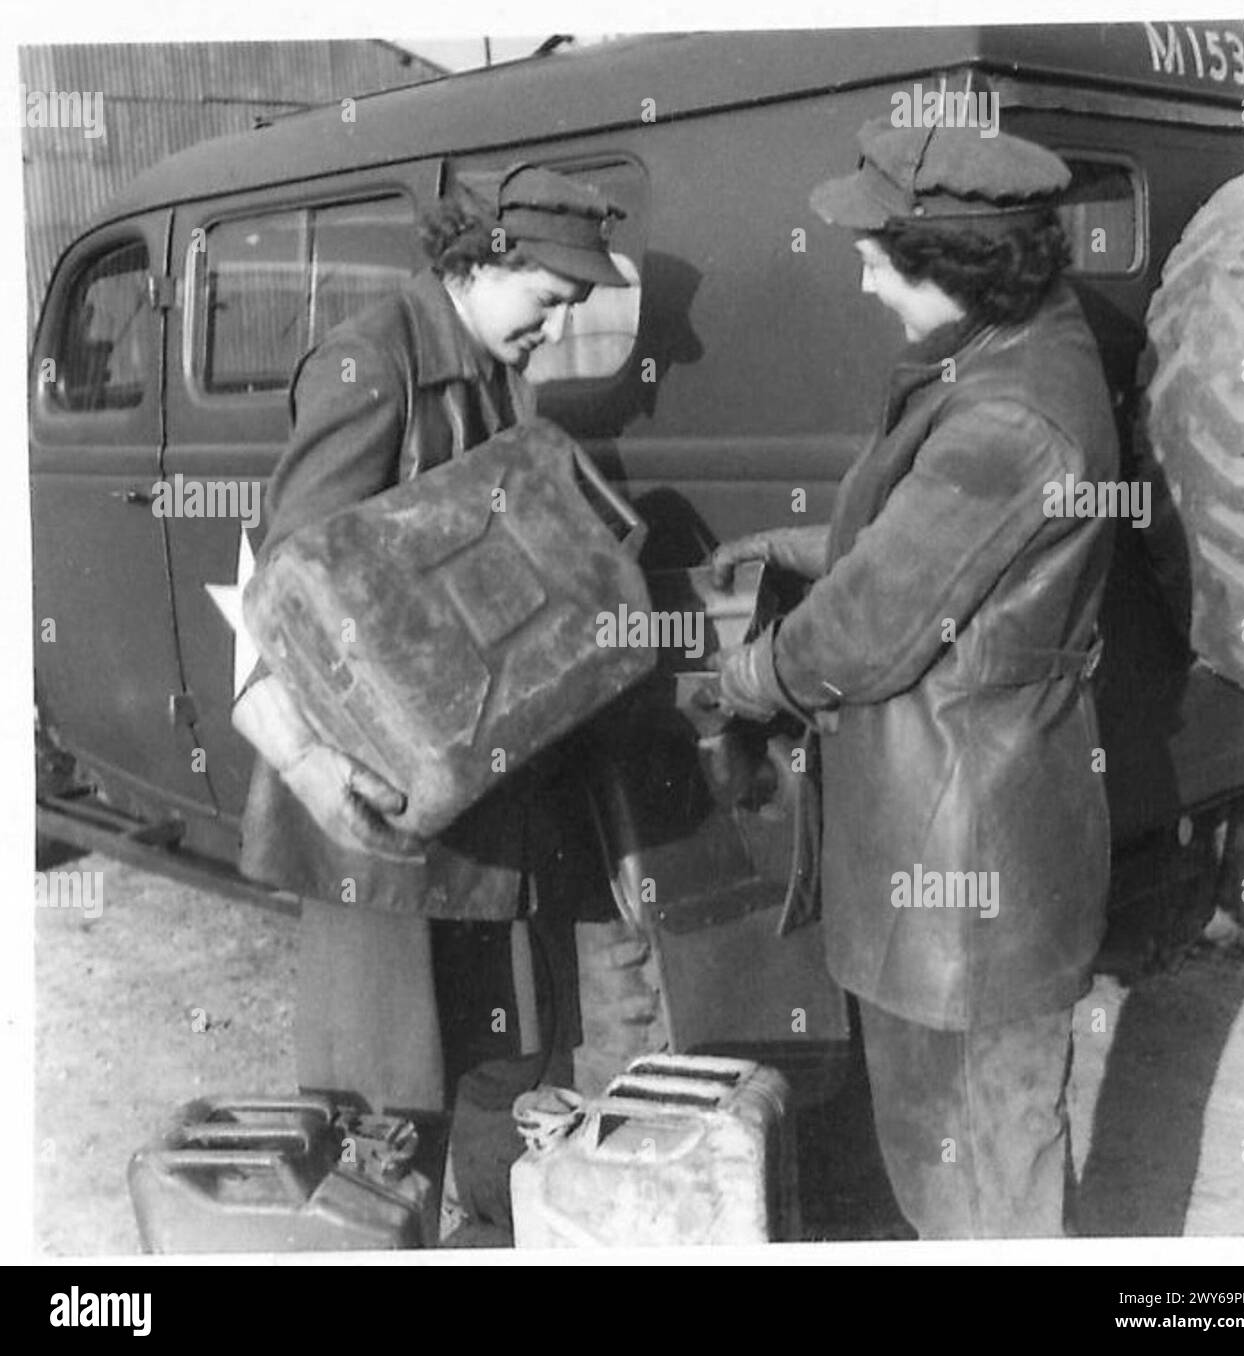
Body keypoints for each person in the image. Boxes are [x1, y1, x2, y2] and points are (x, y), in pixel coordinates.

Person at [711, 118, 1119, 1238]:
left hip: (959, 880)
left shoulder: (1009, 411)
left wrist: (739, 680)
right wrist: (792, 548)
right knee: (957, 1158)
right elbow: (933, 547)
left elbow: (864, 635)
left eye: (879, 254)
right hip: (964, 853)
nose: (859, 272)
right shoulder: (1013, 351)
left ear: (953, 264)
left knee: (975, 1181)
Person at [231, 162, 629, 1237]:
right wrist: (313, 770)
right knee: (388, 1100)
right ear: (485, 258)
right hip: (373, 806)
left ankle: (494, 1235)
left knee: (504, 1055)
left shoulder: (485, 371)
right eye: (547, 302)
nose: (552, 331)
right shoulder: (371, 366)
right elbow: (282, 598)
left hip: (473, 791)